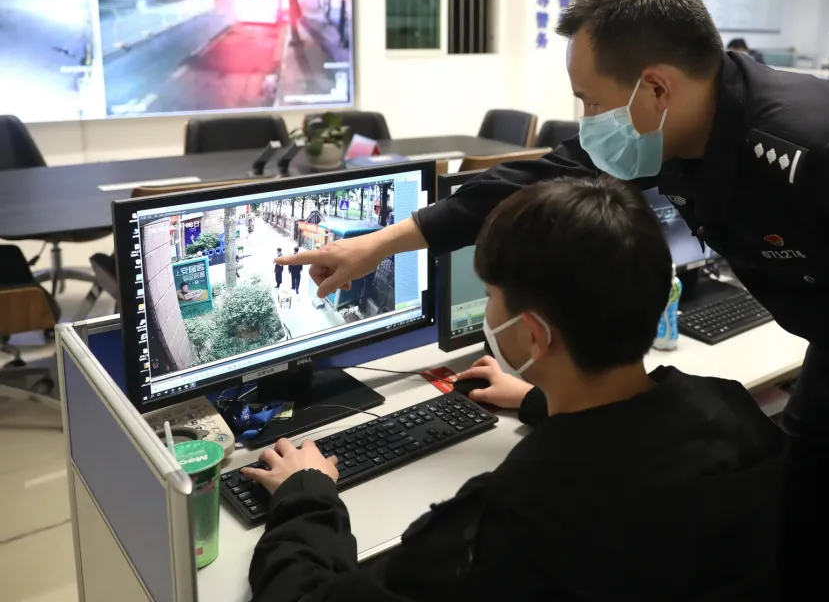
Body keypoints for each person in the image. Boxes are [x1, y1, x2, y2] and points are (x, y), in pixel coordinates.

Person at [276, 0, 829, 602]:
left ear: (654, 87)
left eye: (589, 101)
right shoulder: (676, 133)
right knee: (799, 562)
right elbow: (535, 177)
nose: (585, 119)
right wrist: (383, 243)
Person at [249, 178, 785, 602]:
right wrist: (535, 397)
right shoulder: (731, 410)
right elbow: (632, 442)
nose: (487, 310)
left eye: (491, 296)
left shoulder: (512, 518)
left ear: (533, 335)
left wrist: (306, 495)